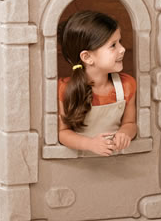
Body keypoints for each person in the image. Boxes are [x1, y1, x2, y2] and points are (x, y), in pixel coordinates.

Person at [57, 10, 137, 156]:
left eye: (120, 42)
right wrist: (89, 144)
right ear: (87, 57)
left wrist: (125, 133)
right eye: (113, 45)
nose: (122, 49)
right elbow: (63, 133)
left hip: (117, 164)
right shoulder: (65, 89)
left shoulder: (127, 85)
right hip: (80, 165)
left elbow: (130, 123)